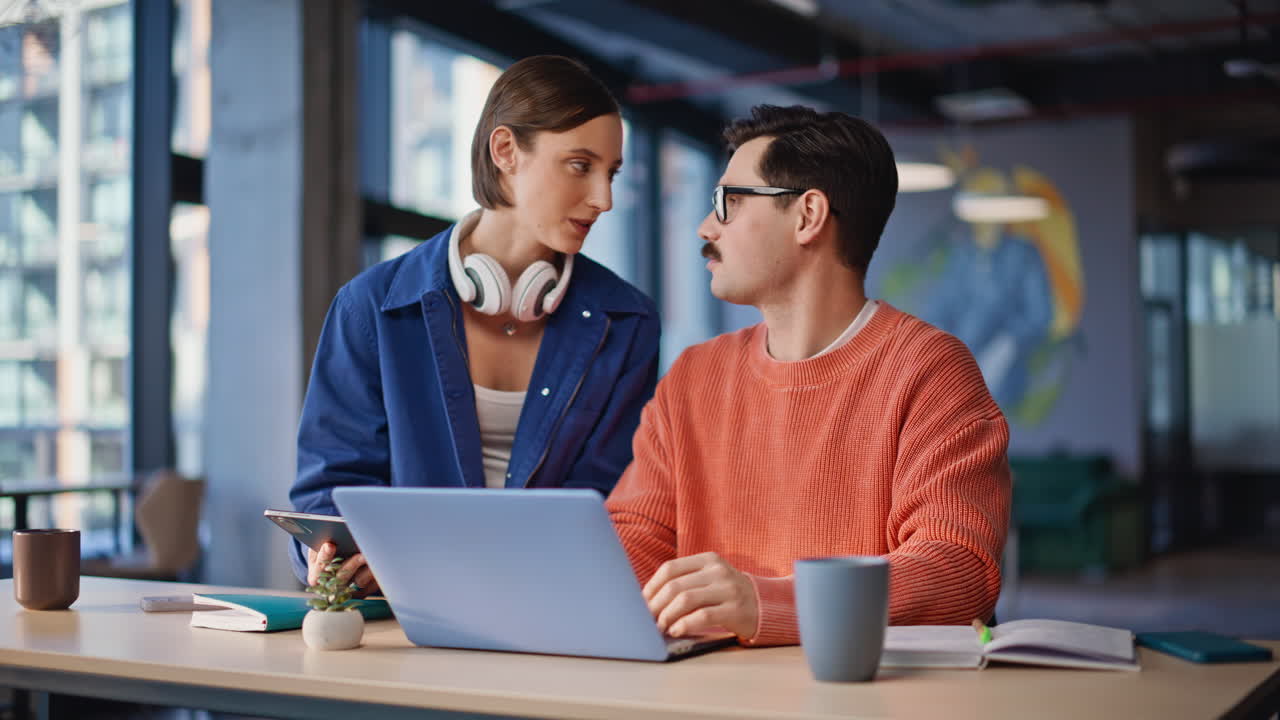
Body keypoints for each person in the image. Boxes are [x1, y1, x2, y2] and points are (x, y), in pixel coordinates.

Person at [605, 105, 1011, 647]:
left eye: (729, 202)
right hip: (706, 695)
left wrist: (765, 604)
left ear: (807, 216)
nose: (706, 227)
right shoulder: (693, 376)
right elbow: (638, 536)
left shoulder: (930, 370)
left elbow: (958, 572)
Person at [290, 55, 660, 594]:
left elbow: (614, 503)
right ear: (506, 151)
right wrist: (330, 557)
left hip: (554, 615)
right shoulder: (371, 307)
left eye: (611, 174)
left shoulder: (626, 323)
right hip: (408, 617)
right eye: (581, 166)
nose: (602, 199)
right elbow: (330, 489)